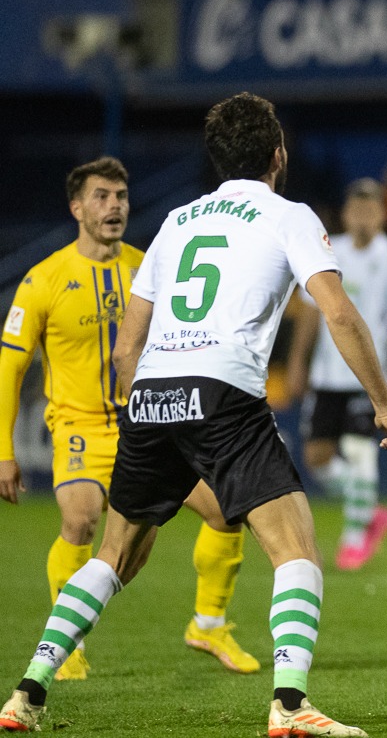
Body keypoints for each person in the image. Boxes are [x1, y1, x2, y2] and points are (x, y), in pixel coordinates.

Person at [0, 93, 387, 737]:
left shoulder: (177, 221)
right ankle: (290, 706)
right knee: (297, 549)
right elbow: (338, 311)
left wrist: (150, 407)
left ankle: (27, 692)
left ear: (217, 160)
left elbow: (129, 346)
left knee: (114, 556)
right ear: (278, 154)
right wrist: (385, 403)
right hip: (223, 394)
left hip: (152, 394)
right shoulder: (288, 214)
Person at [0, 156, 258, 680]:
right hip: (79, 426)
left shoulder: (151, 266)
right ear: (77, 207)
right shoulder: (43, 279)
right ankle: (66, 644)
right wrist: (4, 451)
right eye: (101, 196)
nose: (114, 205)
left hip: (151, 424)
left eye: (120, 196)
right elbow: (11, 365)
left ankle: (209, 622)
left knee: (228, 512)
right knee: (80, 519)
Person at [287, 177, 387, 571]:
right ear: (346, 214)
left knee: (362, 451)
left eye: (370, 209)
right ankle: (368, 509)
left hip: (368, 374)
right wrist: (297, 363)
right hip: (327, 373)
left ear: (382, 214)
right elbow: (310, 315)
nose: (363, 216)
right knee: (317, 457)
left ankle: (353, 539)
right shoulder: (329, 252)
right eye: (356, 209)